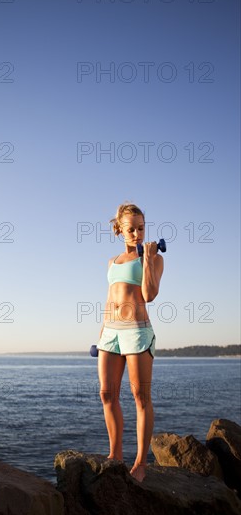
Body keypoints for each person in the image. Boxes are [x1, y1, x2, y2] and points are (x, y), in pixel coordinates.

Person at [97, 202, 164, 483]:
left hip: (136, 331)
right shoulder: (112, 262)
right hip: (110, 332)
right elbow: (111, 297)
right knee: (107, 394)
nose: (137, 233)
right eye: (131, 229)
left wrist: (147, 259)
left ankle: (140, 463)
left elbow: (149, 295)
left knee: (140, 397)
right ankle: (115, 454)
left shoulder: (154, 258)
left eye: (141, 228)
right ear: (119, 230)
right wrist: (102, 333)